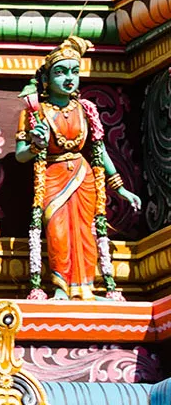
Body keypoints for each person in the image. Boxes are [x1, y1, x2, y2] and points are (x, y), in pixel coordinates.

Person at [16, 37, 141, 300]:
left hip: (83, 177)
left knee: (86, 231)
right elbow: (21, 156)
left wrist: (121, 188)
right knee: (58, 231)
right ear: (46, 80)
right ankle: (61, 288)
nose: (69, 78)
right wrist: (37, 145)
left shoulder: (86, 110)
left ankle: (86, 289)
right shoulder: (34, 113)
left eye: (74, 72)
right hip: (53, 176)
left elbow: (99, 150)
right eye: (60, 73)